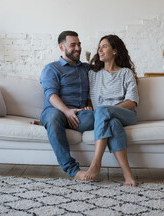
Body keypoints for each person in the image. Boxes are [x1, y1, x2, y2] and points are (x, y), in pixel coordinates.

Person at [84, 35, 139, 186]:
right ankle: (128, 176)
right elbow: (89, 97)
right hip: (107, 117)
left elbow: (132, 102)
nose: (100, 50)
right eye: (99, 47)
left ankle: (96, 164)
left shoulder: (126, 73)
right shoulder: (93, 74)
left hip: (127, 114)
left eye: (105, 46)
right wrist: (90, 105)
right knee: (113, 124)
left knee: (102, 111)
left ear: (115, 51)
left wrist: (108, 110)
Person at [39, 31, 94, 181]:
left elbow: (93, 91)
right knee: (54, 117)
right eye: (73, 45)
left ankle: (52, 125)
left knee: (96, 117)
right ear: (61, 47)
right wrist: (67, 111)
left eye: (79, 44)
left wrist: (89, 104)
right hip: (55, 110)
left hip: (79, 114)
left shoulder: (86, 69)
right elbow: (51, 95)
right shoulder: (52, 68)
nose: (78, 48)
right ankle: (72, 170)